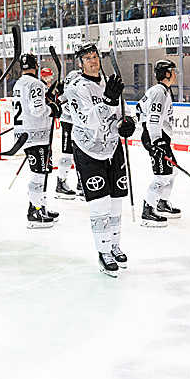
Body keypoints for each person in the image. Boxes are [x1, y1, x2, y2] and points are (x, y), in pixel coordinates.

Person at [64, 42, 134, 277]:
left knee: (116, 202)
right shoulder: (76, 88)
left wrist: (128, 123)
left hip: (113, 148)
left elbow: (123, 111)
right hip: (88, 150)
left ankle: (114, 245)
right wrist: (108, 101)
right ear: (80, 63)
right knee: (99, 203)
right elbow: (88, 121)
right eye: (88, 58)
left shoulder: (107, 83)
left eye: (95, 56)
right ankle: (103, 252)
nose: (94, 61)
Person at [12, 53, 61, 228]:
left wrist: (49, 98)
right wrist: (52, 109)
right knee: (39, 173)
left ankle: (41, 207)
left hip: (26, 133)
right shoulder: (36, 84)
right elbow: (38, 110)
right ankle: (34, 211)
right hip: (36, 134)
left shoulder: (19, 83)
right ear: (36, 66)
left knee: (43, 172)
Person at [135, 60, 181, 227]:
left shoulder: (162, 90)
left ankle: (162, 202)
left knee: (172, 170)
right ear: (166, 74)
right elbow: (154, 117)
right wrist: (156, 140)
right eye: (173, 71)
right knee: (163, 175)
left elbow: (140, 108)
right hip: (156, 136)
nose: (176, 74)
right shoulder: (159, 92)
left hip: (158, 136)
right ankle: (148, 210)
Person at [53, 69, 82, 200]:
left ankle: (82, 183)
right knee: (68, 154)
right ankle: (61, 183)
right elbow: (65, 100)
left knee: (83, 153)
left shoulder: (92, 76)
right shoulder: (74, 75)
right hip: (69, 121)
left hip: (82, 123)